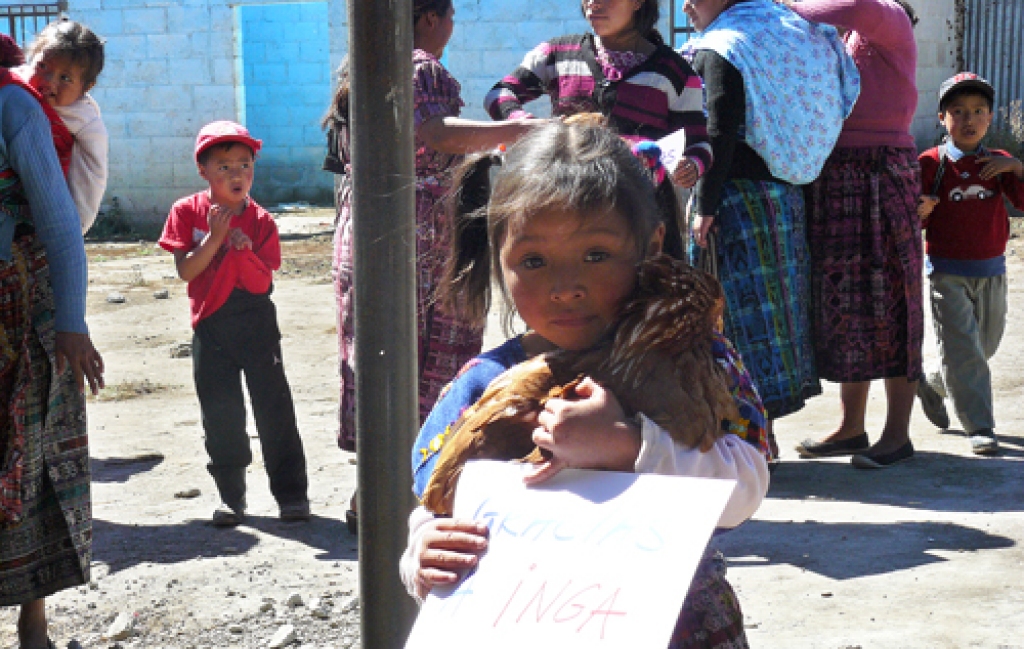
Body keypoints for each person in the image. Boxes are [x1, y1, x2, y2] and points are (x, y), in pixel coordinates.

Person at [400, 121, 789, 649]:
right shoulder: (486, 382)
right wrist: (423, 550)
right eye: (533, 261)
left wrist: (630, 448)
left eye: (597, 255)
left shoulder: (696, 357)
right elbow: (435, 498)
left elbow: (746, 485)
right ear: (497, 256)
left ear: (652, 244)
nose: (565, 285)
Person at [322, 0, 533, 528]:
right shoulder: (422, 67)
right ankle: (411, 493)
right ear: (430, 19)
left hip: (364, 226)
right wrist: (525, 132)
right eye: (451, 17)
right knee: (430, 359)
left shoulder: (365, 71)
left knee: (376, 359)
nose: (452, 29)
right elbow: (437, 133)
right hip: (420, 232)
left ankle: (368, 495)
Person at [682, 0, 860, 462]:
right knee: (773, 324)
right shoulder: (784, 33)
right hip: (784, 200)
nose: (686, 5)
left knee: (730, 325)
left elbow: (718, 127)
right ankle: (765, 436)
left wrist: (705, 203)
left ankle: (750, 441)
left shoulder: (725, 45)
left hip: (734, 204)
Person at [0, 53, 104, 649]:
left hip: (20, 317)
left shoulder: (13, 108)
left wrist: (71, 322)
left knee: (28, 463)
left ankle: (32, 624)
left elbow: (61, 224)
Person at [790, 0, 925, 469]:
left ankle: (897, 435)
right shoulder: (845, 38)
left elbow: (855, 5)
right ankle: (852, 427)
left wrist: (777, 5)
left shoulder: (889, 18)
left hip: (882, 171)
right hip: (837, 173)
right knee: (848, 303)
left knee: (894, 300)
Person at [159, 121, 310, 526]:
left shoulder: (261, 222)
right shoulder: (187, 213)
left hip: (256, 322)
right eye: (223, 166)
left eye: (244, 164)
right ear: (203, 171)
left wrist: (242, 252)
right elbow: (188, 272)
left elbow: (264, 283)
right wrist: (215, 238)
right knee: (221, 414)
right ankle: (232, 498)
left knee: (274, 408)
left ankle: (292, 495)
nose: (236, 174)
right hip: (210, 326)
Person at [485, 0, 711, 187]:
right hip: (566, 201)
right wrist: (527, 126)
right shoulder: (557, 55)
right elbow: (499, 94)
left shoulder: (676, 73)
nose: (593, 3)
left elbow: (699, 144)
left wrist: (691, 166)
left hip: (642, 215)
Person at [915, 74, 1024, 456]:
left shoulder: (1000, 163)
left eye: (978, 111)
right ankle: (980, 426)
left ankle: (932, 382)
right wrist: (919, 211)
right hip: (946, 272)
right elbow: (912, 215)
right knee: (964, 349)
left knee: (984, 347)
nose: (969, 120)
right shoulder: (931, 163)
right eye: (958, 112)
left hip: (992, 270)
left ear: (991, 118)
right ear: (942, 118)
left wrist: (1017, 170)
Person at [17, 19, 107, 234]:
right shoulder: (13, 89)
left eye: (65, 78)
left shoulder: (84, 118)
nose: (48, 81)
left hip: (45, 207)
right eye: (42, 66)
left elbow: (91, 174)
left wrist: (75, 226)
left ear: (86, 87)